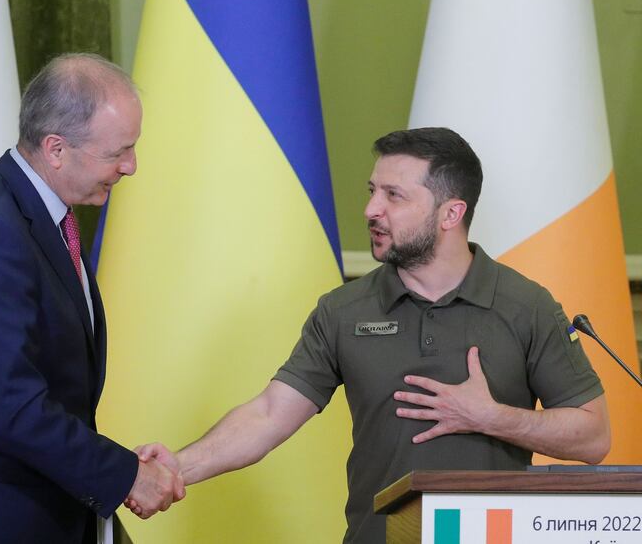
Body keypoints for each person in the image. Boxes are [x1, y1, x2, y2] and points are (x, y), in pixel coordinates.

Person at [129, 127, 611, 543]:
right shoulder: (343, 311)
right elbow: (270, 414)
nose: (371, 209)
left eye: (394, 196)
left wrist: (491, 416)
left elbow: (593, 438)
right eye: (372, 191)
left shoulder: (526, 306)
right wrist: (173, 468)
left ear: (450, 214)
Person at [0, 53, 183, 544]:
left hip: (34, 513)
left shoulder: (39, 220)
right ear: (55, 148)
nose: (131, 166)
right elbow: (15, 407)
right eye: (119, 151)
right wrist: (125, 474)